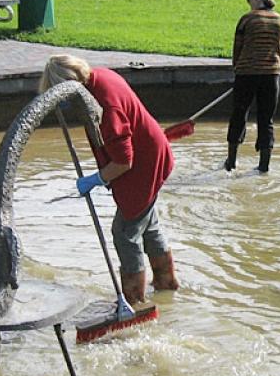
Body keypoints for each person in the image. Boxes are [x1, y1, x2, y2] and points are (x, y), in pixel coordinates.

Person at [40, 54, 177, 305]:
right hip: (152, 153)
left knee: (125, 231)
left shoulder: (105, 108)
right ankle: (166, 284)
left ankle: (134, 299)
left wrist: (95, 179)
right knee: (148, 224)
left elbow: (124, 161)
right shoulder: (99, 76)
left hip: (143, 165)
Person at [225, 0, 280, 173]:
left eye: (250, 2)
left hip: (246, 74)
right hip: (271, 76)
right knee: (266, 119)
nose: (250, 6)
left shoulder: (247, 19)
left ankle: (231, 161)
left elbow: (237, 49)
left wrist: (237, 69)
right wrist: (277, 68)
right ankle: (264, 165)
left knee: (239, 115)